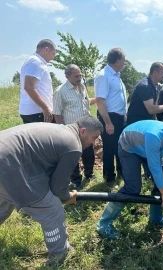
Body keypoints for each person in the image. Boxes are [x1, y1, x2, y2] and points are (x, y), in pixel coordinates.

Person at [0, 115, 103, 266]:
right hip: (8, 165)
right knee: (52, 209)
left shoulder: (59, 130)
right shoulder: (73, 146)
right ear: (83, 131)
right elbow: (57, 187)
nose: (94, 143)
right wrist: (67, 196)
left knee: (5, 199)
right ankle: (60, 253)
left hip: (5, 154)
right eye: (94, 137)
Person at [96, 120, 163, 240]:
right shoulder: (155, 136)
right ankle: (104, 223)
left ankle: (156, 218)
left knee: (161, 185)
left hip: (152, 150)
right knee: (133, 188)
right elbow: (154, 167)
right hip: (130, 147)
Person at [53, 64, 97, 191]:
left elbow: (87, 103)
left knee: (89, 153)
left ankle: (89, 174)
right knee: (73, 156)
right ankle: (76, 180)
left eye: (80, 75)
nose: (79, 78)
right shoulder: (60, 91)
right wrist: (62, 130)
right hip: (71, 130)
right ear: (67, 76)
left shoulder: (82, 87)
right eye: (76, 76)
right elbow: (57, 112)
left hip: (86, 129)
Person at [95, 48, 127, 188]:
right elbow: (100, 101)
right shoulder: (104, 75)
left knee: (120, 146)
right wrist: (108, 122)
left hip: (119, 117)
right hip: (109, 117)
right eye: (124, 61)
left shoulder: (116, 75)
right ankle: (109, 178)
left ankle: (121, 172)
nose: (124, 64)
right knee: (109, 148)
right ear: (118, 61)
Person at [18, 39, 56, 124]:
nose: (53, 57)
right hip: (37, 112)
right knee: (45, 137)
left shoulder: (33, 61)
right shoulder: (36, 62)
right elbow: (29, 86)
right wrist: (45, 108)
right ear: (46, 50)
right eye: (53, 53)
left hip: (34, 111)